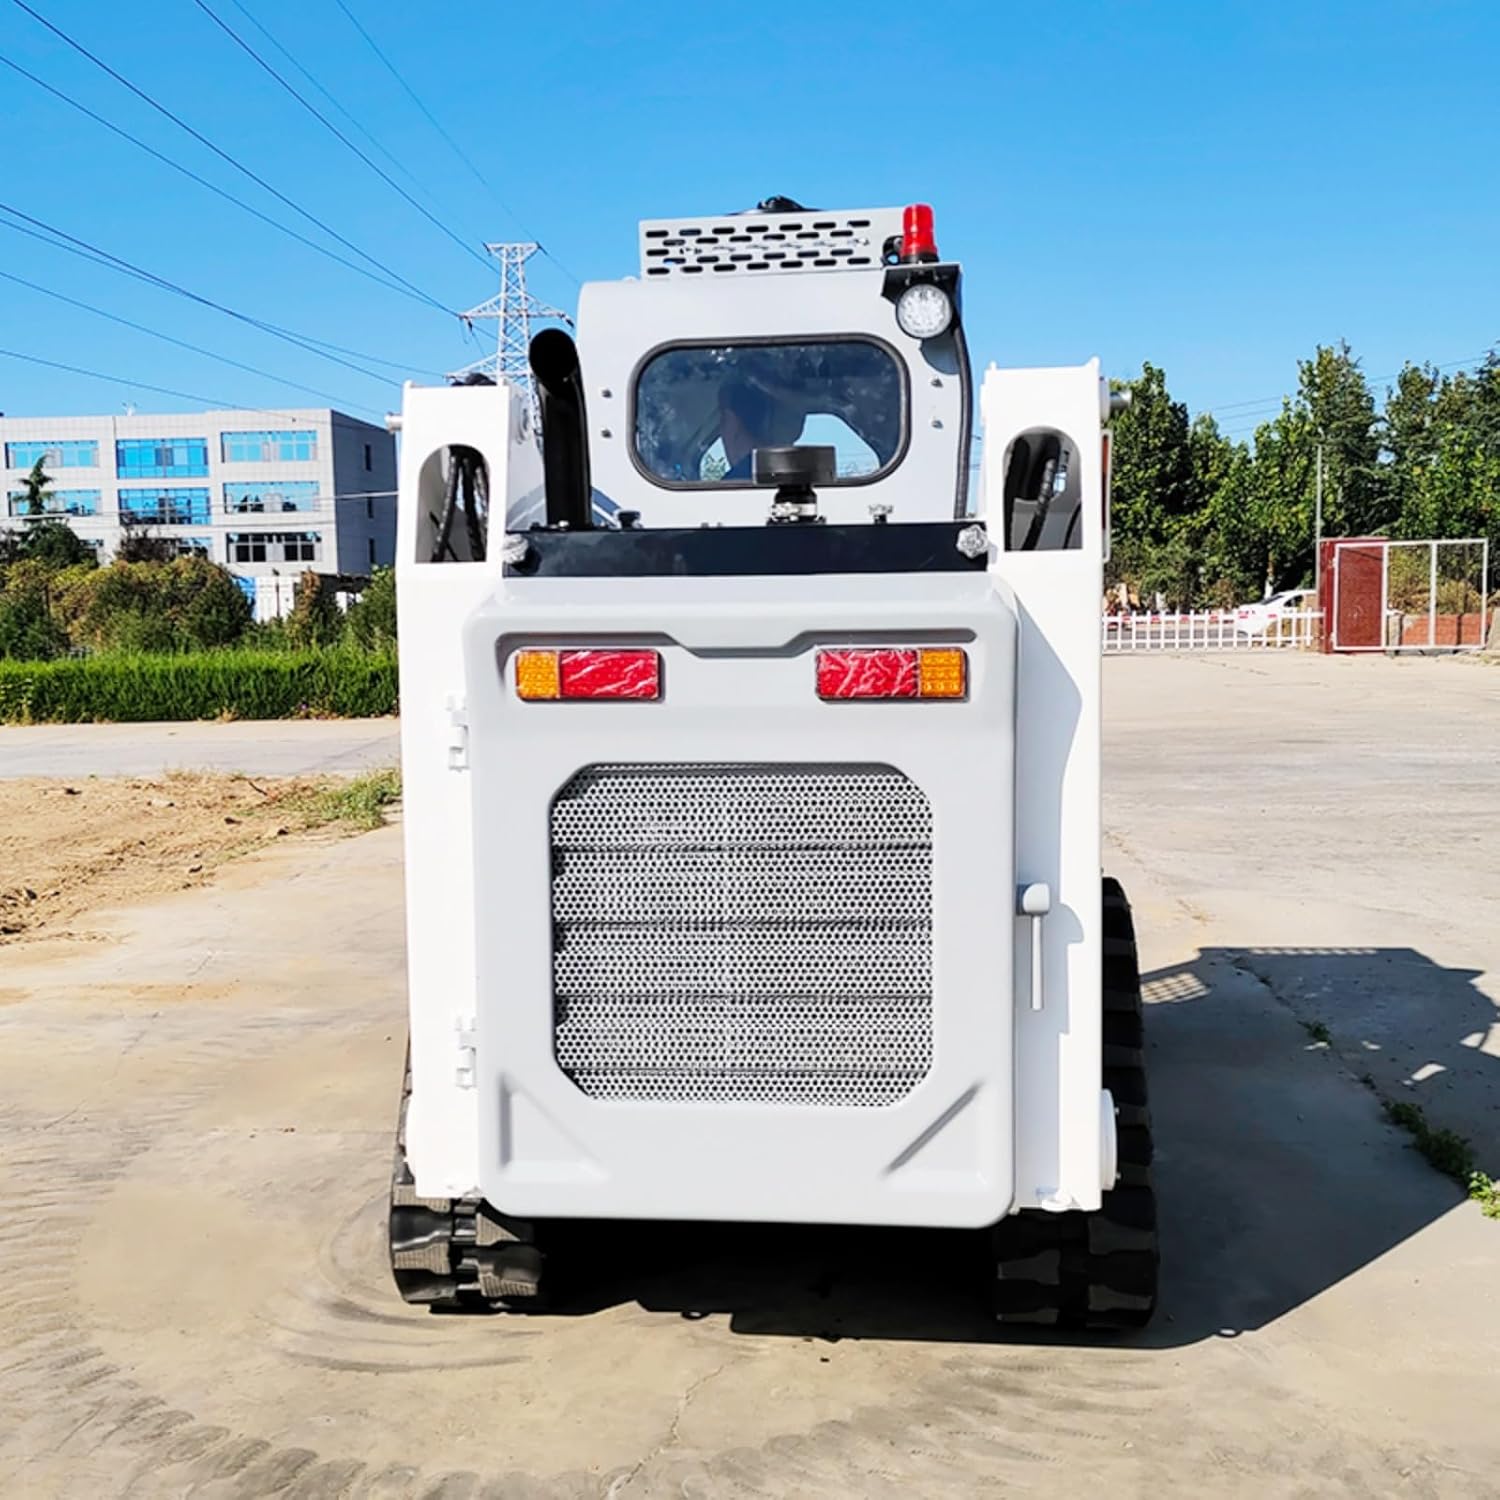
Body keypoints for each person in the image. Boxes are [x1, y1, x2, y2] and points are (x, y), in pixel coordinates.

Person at [717, 381, 778, 482]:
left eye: (722, 418)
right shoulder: (780, 473)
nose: (720, 431)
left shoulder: (730, 487)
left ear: (732, 421)